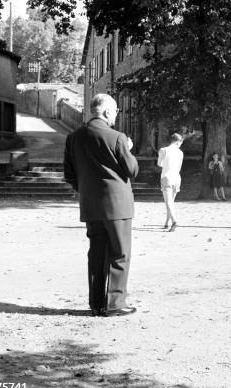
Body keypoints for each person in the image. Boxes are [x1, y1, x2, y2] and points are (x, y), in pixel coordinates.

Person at [64, 93, 139, 317]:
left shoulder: (74, 138)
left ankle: (96, 303)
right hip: (117, 205)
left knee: (96, 253)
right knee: (119, 253)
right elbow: (132, 170)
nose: (117, 115)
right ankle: (115, 303)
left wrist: (87, 191)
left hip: (91, 205)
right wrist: (129, 148)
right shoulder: (117, 137)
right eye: (116, 111)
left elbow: (69, 174)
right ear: (106, 112)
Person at [157, 133, 184, 232]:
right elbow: (179, 167)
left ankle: (174, 221)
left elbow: (159, 164)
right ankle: (167, 222)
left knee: (168, 202)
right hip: (177, 177)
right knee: (171, 202)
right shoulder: (180, 153)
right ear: (178, 142)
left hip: (167, 176)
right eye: (181, 143)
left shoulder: (163, 150)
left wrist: (165, 163)